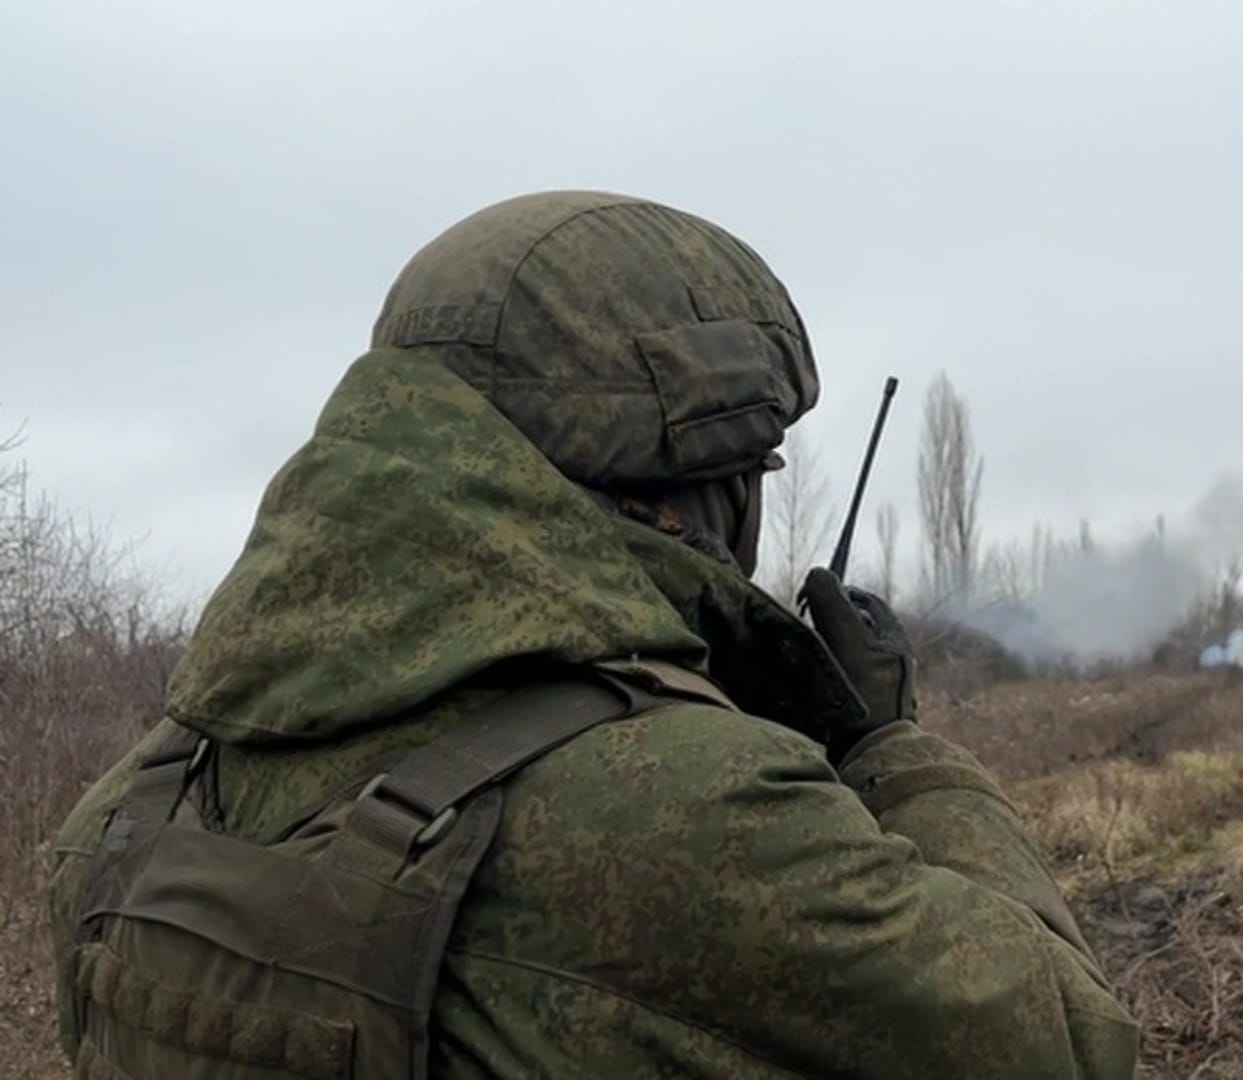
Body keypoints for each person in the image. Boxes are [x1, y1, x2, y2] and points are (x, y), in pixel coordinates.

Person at [47, 191, 1141, 1078]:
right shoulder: (690, 809)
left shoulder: (147, 796)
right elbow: (1067, 1044)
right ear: (695, 491)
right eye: (753, 475)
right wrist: (893, 748)